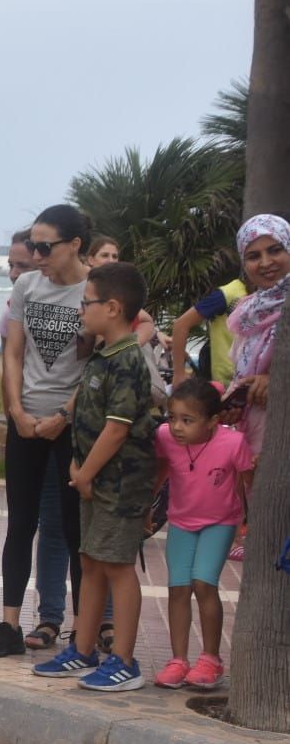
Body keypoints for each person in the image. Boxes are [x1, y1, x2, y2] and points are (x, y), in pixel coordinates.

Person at [0, 204, 95, 662]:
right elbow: (12, 353)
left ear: (74, 246)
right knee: (20, 522)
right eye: (33, 247)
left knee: (73, 527)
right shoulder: (28, 285)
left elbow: (100, 364)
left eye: (45, 247)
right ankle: (8, 625)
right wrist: (16, 409)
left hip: (73, 424)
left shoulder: (94, 290)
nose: (37, 255)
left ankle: (82, 636)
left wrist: (64, 416)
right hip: (24, 420)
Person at [61, 262, 158, 692]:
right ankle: (82, 650)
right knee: (91, 561)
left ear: (113, 308)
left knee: (117, 566)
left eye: (87, 303)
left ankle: (124, 660)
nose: (81, 310)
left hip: (119, 484)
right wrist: (78, 467)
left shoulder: (128, 360)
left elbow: (117, 428)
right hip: (93, 480)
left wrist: (87, 474)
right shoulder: (102, 355)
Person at [151, 379, 253, 690]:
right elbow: (162, 470)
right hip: (181, 521)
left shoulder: (233, 443)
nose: (177, 427)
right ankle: (178, 660)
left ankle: (211, 659)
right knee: (178, 588)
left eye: (187, 420)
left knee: (203, 583)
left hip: (220, 522)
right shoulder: (166, 437)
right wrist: (147, 506)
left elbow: (248, 481)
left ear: (213, 421)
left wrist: (247, 523)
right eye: (172, 417)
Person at [218, 214, 288, 462]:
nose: (266, 262)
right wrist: (238, 403)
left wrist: (278, 380)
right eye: (253, 256)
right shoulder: (249, 312)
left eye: (275, 250)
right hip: (257, 440)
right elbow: (244, 372)